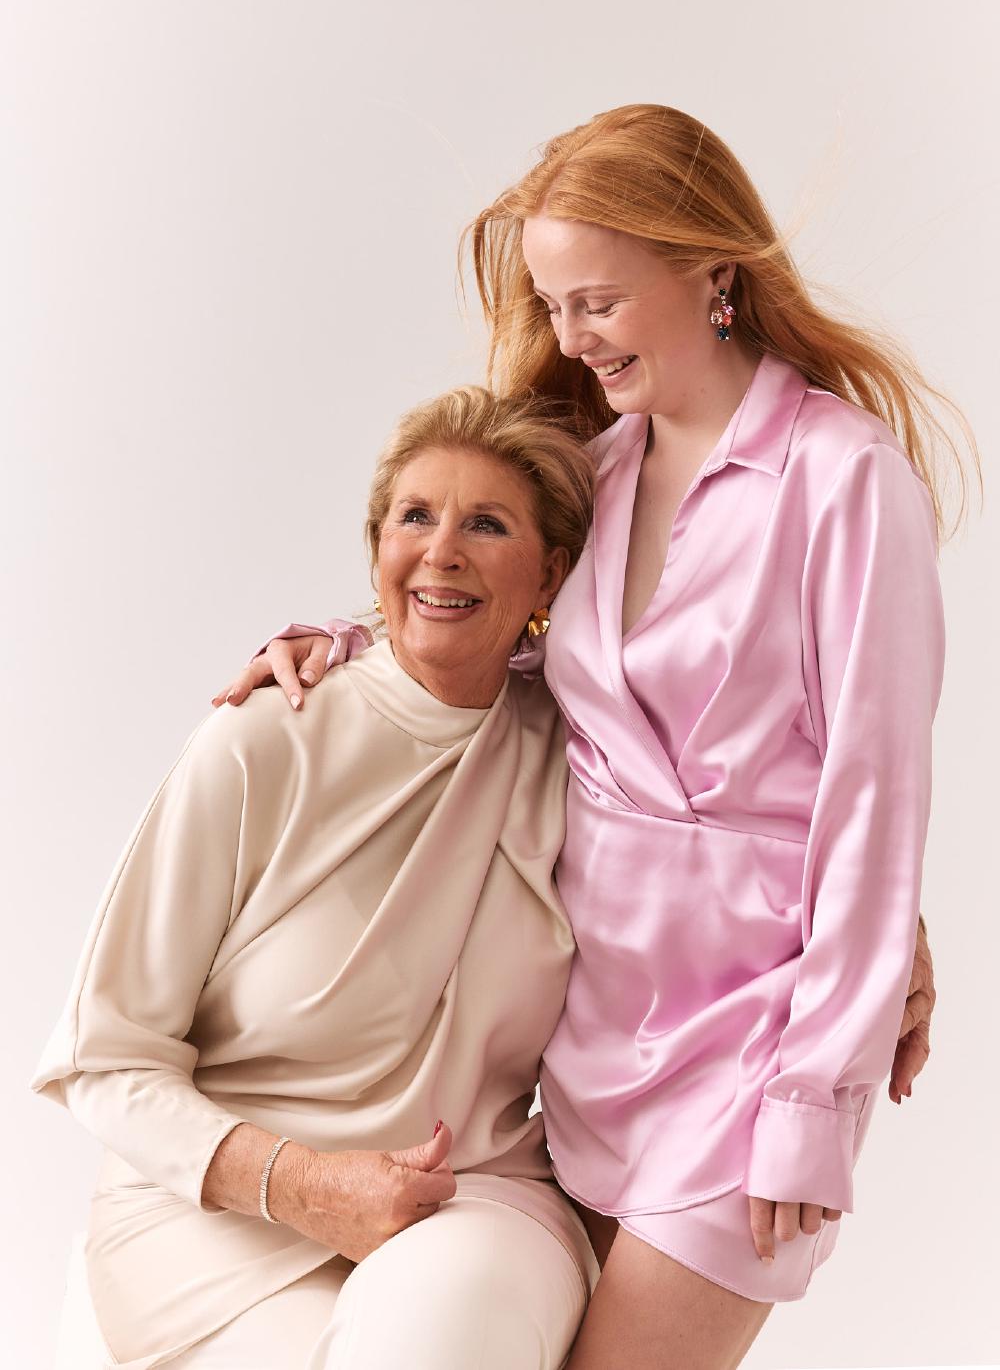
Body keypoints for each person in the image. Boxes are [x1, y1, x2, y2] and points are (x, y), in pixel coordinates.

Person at [217, 105, 974, 1369]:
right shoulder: (598, 471)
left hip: (753, 1047)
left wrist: (811, 1092)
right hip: (581, 1028)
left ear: (711, 271)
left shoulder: (844, 481)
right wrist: (345, 644)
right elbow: (518, 651)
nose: (570, 338)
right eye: (555, 305)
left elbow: (873, 803)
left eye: (600, 302)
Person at [31, 387, 603, 1369]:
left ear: (549, 571)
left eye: (487, 524)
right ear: (377, 550)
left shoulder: (586, 760)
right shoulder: (264, 739)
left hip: (472, 1192)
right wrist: (300, 1185)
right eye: (414, 517)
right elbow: (105, 1058)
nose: (442, 551)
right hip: (220, 1213)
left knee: (441, 1330)